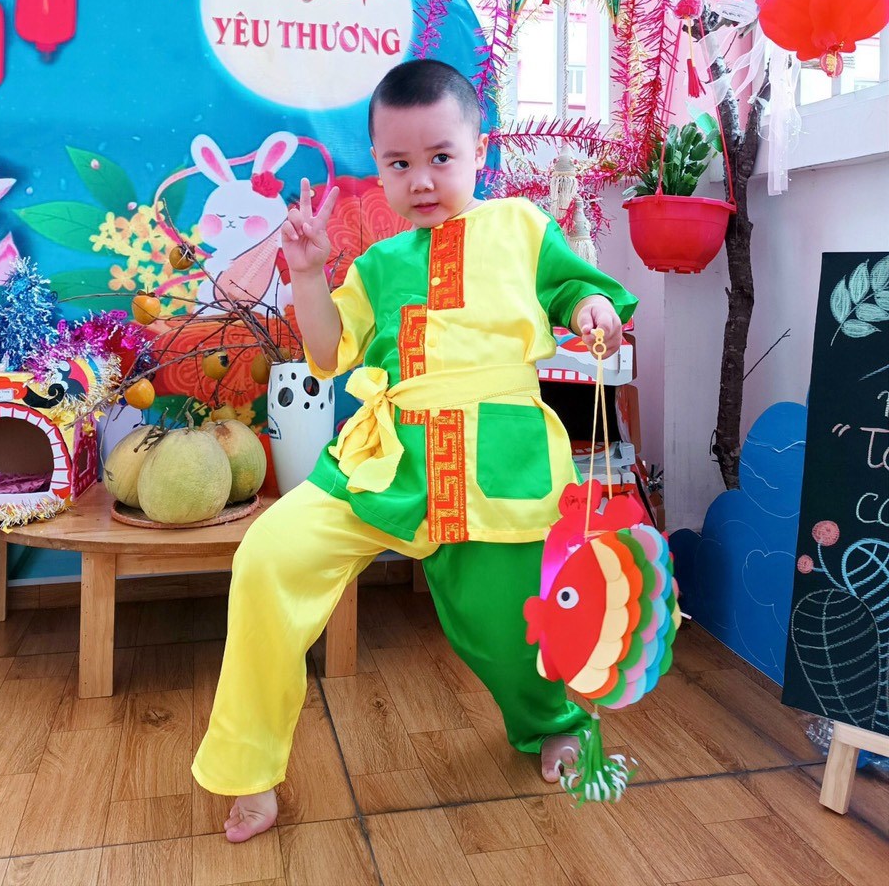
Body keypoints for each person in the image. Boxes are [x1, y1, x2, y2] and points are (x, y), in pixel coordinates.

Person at [192, 58, 637, 842]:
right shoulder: (377, 265)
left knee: (508, 629)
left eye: (440, 157)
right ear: (378, 166)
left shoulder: (520, 228)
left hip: (498, 467)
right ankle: (250, 771)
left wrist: (592, 305)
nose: (421, 179)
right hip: (385, 461)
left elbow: (574, 289)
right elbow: (327, 353)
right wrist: (306, 273)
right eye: (399, 163)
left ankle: (553, 723)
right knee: (268, 556)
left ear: (479, 151)